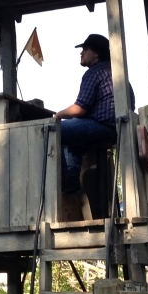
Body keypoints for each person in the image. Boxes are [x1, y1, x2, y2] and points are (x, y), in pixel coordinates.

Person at [54, 34, 130, 194]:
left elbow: (80, 109)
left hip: (104, 126)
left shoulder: (95, 72)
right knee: (74, 138)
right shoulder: (116, 73)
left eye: (85, 49)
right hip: (120, 128)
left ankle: (67, 180)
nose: (81, 53)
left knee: (54, 131)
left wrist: (57, 116)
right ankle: (72, 182)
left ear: (96, 53)